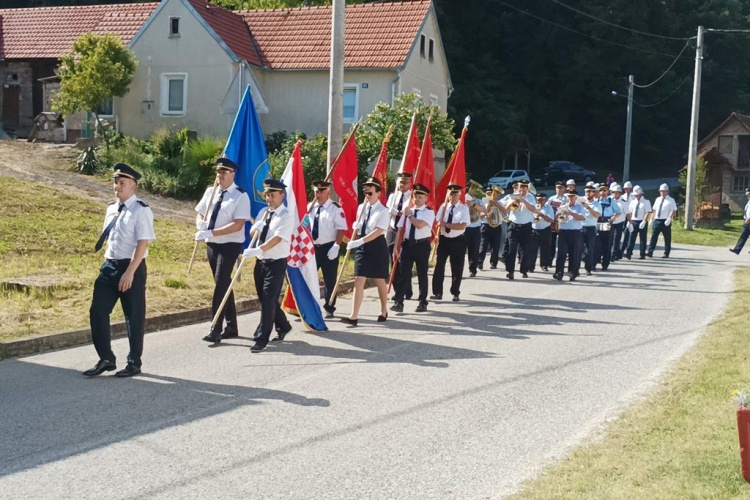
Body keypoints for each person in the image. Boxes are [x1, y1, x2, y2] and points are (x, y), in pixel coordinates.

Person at [84, 163, 155, 378]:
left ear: (133, 186)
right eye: (115, 182)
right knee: (97, 311)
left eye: (122, 183)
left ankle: (134, 362)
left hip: (131, 266)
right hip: (110, 266)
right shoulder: (111, 207)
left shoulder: (141, 210)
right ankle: (106, 358)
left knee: (133, 316)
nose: (117, 186)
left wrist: (130, 272)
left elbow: (143, 243)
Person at [193, 158, 251, 344]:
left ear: (233, 174)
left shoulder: (240, 195)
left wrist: (211, 231)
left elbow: (238, 224)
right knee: (223, 282)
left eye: (225, 172)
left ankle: (215, 328)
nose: (221, 175)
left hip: (230, 244)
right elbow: (201, 212)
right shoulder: (211, 192)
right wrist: (200, 226)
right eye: (219, 172)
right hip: (212, 244)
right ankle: (232, 326)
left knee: (220, 282)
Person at [242, 179, 293, 353]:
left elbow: (277, 239)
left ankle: (261, 338)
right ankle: (283, 325)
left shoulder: (286, 216)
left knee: (268, 300)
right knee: (264, 299)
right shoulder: (263, 212)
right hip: (261, 262)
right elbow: (253, 234)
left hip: (276, 263)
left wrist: (257, 250)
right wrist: (255, 227)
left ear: (282, 195)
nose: (269, 199)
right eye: (267, 195)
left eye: (272, 195)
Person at [341, 177, 390, 326]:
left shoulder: (383, 210)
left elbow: (378, 231)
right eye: (366, 192)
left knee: (379, 280)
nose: (367, 195)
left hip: (377, 245)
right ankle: (354, 315)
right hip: (363, 246)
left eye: (370, 192)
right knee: (359, 279)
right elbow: (359, 226)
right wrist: (355, 233)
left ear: (378, 193)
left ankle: (383, 309)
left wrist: (359, 241)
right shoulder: (362, 207)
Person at [391, 183, 435, 313]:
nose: (417, 199)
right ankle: (399, 302)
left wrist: (410, 215)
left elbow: (419, 225)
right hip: (407, 245)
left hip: (421, 244)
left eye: (421, 197)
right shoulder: (407, 210)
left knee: (422, 273)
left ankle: (422, 302)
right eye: (416, 196)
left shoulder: (428, 212)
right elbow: (400, 229)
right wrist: (396, 246)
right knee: (404, 274)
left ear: (426, 198)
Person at [308, 180, 347, 318]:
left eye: (320, 192)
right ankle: (308, 306)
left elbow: (341, 228)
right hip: (313, 248)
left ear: (328, 192)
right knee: (309, 276)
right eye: (316, 192)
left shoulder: (335, 208)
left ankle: (329, 307)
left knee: (330, 279)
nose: (318, 195)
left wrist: (337, 245)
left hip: (329, 247)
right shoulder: (310, 207)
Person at [431, 184, 470, 301]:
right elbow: (437, 222)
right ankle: (437, 292)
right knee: (439, 266)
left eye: (454, 194)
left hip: (458, 240)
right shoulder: (444, 207)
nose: (452, 196)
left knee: (457, 267)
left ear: (459, 195)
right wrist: (436, 233)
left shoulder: (463, 209)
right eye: (450, 194)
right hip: (444, 240)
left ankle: (455, 292)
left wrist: (447, 225)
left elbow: (462, 225)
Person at [386, 172, 413, 300]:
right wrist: (399, 212)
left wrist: (403, 213)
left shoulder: (413, 197)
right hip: (393, 230)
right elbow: (388, 208)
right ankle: (397, 290)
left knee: (404, 262)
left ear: (410, 183)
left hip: (405, 232)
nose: (402, 184)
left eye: (405, 182)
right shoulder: (393, 196)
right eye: (400, 182)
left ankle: (407, 289)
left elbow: (411, 212)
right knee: (393, 259)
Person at [503, 179, 537, 279]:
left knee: (525, 250)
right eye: (520, 186)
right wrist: (513, 201)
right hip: (513, 225)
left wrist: (523, 200)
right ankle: (510, 271)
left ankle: (524, 270)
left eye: (524, 187)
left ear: (527, 188)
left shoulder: (531, 197)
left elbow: (533, 209)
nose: (522, 189)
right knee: (511, 249)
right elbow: (506, 209)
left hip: (526, 226)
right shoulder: (513, 195)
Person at [553, 189, 585, 281]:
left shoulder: (579, 207)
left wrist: (570, 213)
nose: (570, 198)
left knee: (573, 253)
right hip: (563, 231)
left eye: (572, 196)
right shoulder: (563, 206)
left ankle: (572, 273)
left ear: (576, 198)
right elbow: (555, 217)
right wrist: (560, 214)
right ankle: (559, 272)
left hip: (574, 232)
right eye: (569, 196)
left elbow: (581, 218)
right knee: (561, 254)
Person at [593, 184, 621, 271]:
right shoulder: (596, 201)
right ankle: (593, 263)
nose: (603, 192)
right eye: (601, 190)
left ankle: (605, 264)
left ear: (608, 191)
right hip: (598, 222)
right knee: (596, 245)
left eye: (605, 190)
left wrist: (614, 217)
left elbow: (619, 212)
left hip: (607, 222)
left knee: (607, 244)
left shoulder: (611, 201)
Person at [646, 183, 677, 258]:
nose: (662, 193)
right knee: (654, 237)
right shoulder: (657, 199)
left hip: (665, 221)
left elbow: (673, 210)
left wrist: (669, 218)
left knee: (667, 237)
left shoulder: (671, 200)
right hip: (657, 220)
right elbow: (654, 210)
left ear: (667, 191)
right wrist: (651, 219)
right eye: (661, 191)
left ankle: (666, 252)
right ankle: (650, 251)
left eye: (664, 191)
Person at [478, 184, 503, 270]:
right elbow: (479, 215)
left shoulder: (499, 202)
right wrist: (486, 213)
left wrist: (496, 204)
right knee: (483, 245)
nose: (490, 195)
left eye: (491, 193)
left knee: (495, 246)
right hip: (486, 226)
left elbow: (504, 212)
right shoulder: (482, 202)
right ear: (485, 194)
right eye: (488, 193)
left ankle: (494, 263)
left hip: (497, 226)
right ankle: (480, 262)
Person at [625, 185, 652, 260]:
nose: (636, 196)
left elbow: (647, 212)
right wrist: (629, 221)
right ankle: (629, 253)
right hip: (634, 221)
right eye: (635, 195)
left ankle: (642, 254)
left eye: (637, 195)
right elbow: (630, 212)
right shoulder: (633, 202)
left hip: (642, 221)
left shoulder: (646, 202)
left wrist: (644, 221)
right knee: (631, 237)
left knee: (643, 238)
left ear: (641, 194)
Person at [579, 185, 602, 276]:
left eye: (589, 191)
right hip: (580, 227)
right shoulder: (580, 202)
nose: (587, 193)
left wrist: (588, 207)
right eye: (586, 191)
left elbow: (597, 215)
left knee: (589, 248)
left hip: (590, 228)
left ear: (593, 193)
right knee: (578, 248)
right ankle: (575, 269)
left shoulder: (597, 204)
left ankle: (588, 268)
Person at [529, 192, 554, 271]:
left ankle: (544, 265)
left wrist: (542, 215)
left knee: (545, 249)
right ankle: (530, 266)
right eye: (537, 200)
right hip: (534, 229)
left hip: (545, 230)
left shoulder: (548, 208)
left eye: (540, 200)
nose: (538, 202)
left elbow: (551, 220)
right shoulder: (533, 207)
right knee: (532, 249)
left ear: (544, 200)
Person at [465, 185, 486, 277]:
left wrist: (472, 204)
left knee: (474, 249)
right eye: (471, 190)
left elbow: (484, 210)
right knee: (462, 249)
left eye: (473, 190)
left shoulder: (479, 201)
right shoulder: (463, 200)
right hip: (465, 228)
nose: (472, 192)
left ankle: (473, 269)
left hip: (476, 227)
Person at [547, 181, 567, 262]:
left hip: (562, 223)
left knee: (562, 244)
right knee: (551, 242)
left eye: (561, 187)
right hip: (553, 223)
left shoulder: (566, 199)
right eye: (557, 187)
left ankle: (561, 260)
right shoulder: (551, 198)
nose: (558, 189)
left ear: (564, 188)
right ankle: (549, 260)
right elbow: (547, 208)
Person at [609, 184, 630, 261]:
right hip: (610, 222)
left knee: (616, 239)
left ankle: (613, 255)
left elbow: (628, 213)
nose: (615, 194)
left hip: (619, 223)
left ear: (620, 193)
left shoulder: (624, 202)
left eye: (616, 193)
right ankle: (615, 253)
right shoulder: (609, 200)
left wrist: (630, 223)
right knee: (609, 239)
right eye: (613, 192)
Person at [730, 187, 750, 255]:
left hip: (749, 220)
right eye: (747, 194)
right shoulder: (749, 201)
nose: (747, 195)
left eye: (748, 194)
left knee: (744, 235)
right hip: (747, 220)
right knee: (743, 236)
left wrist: (749, 218)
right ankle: (737, 249)